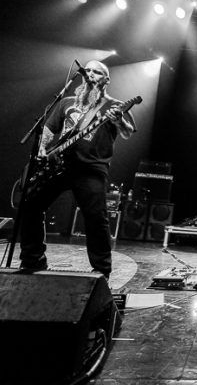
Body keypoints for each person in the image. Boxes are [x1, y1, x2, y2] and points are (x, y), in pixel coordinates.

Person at [18, 60, 136, 279]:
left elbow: (128, 132)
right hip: (59, 164)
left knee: (95, 217)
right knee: (31, 204)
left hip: (91, 168)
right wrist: (42, 148)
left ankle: (101, 270)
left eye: (97, 72)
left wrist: (119, 121)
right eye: (87, 70)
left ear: (106, 80)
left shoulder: (114, 105)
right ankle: (33, 259)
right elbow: (48, 131)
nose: (90, 74)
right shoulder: (66, 102)